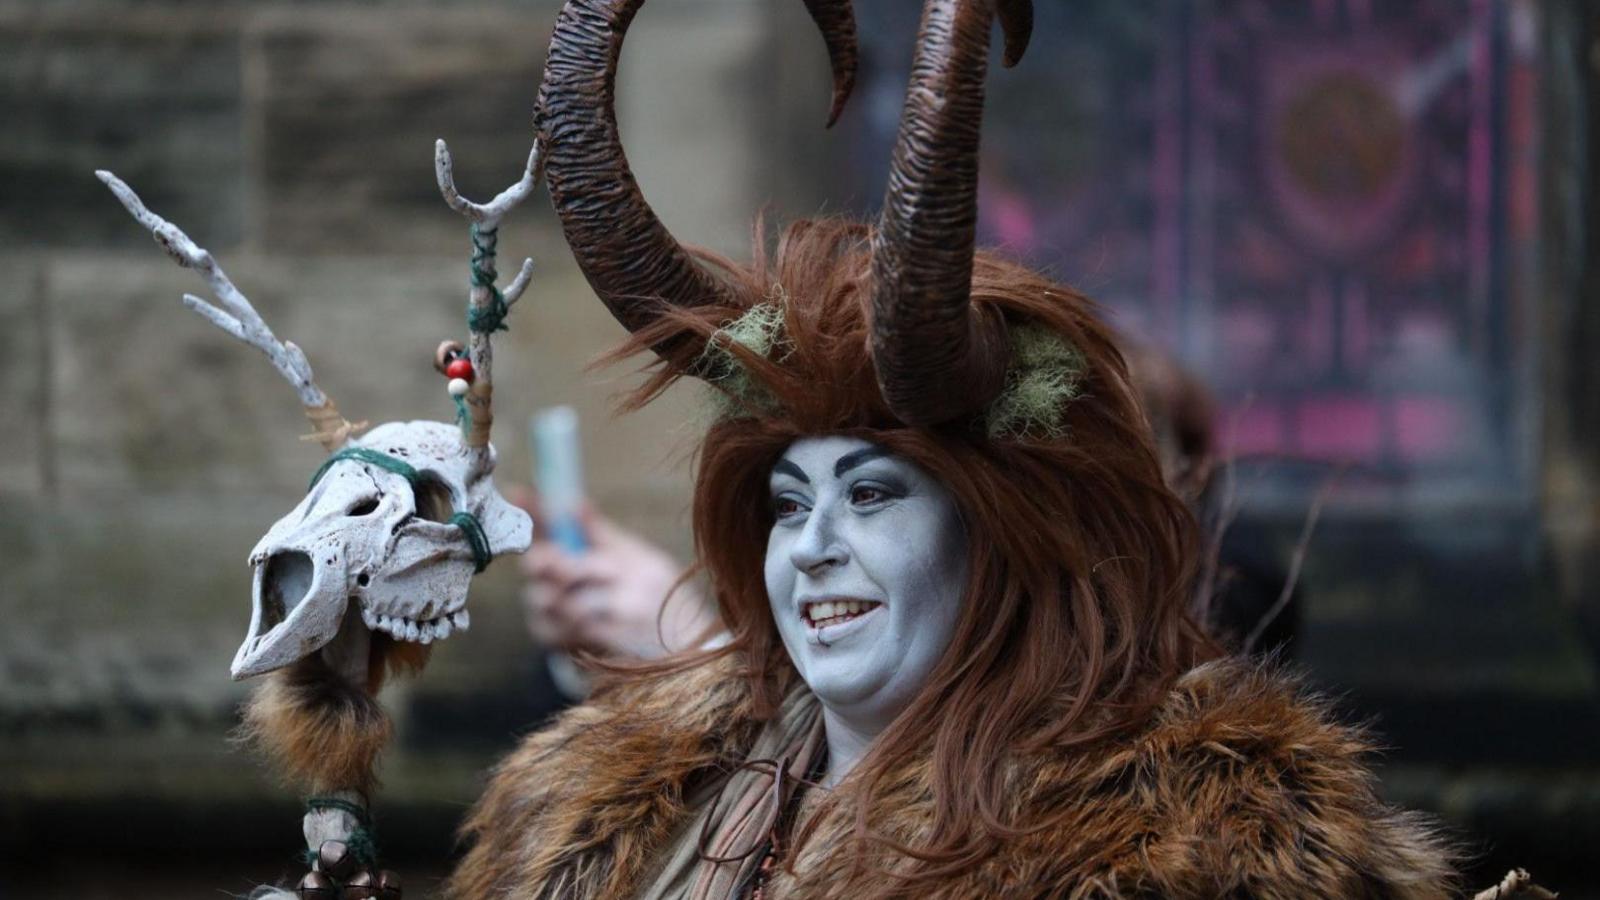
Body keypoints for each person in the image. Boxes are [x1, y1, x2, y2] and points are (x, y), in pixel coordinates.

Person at [449, 0, 1457, 896]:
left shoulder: (1194, 857)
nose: (814, 547)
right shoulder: (600, 808)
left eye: (876, 496)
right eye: (792, 504)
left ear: (999, 535)